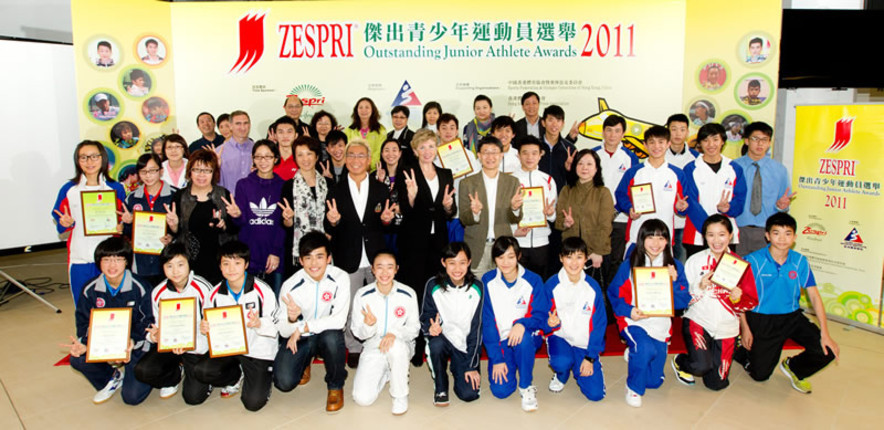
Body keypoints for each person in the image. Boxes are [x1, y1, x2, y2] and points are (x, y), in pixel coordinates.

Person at [734, 213, 839, 393]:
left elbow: (814, 296)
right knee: (760, 375)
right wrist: (745, 328)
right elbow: (740, 298)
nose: (782, 238)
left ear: (795, 237)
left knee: (827, 350)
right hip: (761, 318)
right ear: (767, 235)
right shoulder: (753, 261)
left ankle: (794, 367)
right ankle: (740, 350)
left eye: (787, 233)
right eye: (776, 233)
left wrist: (825, 333)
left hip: (791, 317)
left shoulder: (800, 261)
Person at [325, 139, 395, 366]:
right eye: (351, 156)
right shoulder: (334, 189)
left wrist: (386, 221)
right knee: (351, 304)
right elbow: (329, 226)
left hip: (376, 256)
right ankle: (353, 346)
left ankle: (379, 341)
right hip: (347, 255)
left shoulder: (380, 188)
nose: (356, 160)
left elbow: (387, 221)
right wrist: (332, 222)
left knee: (380, 300)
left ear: (369, 161)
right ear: (345, 160)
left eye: (360, 156)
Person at [608, 219, 691, 407]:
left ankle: (635, 351)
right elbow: (613, 294)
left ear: (668, 241)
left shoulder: (674, 266)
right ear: (641, 239)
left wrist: (675, 281)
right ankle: (633, 388)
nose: (655, 243)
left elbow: (683, 302)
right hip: (633, 321)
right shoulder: (630, 264)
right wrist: (629, 311)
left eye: (661, 238)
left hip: (660, 324)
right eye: (650, 237)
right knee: (645, 349)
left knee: (654, 382)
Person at [671, 214, 758, 391]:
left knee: (716, 383)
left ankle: (709, 355)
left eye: (722, 234)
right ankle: (682, 361)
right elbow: (682, 298)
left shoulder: (740, 265)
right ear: (704, 237)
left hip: (727, 327)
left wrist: (737, 296)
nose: (716, 240)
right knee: (700, 366)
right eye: (711, 235)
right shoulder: (695, 261)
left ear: (730, 235)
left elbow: (751, 301)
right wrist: (699, 285)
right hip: (699, 320)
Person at [64, 237, 152, 405]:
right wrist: (84, 343)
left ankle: (132, 372)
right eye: (106, 260)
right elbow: (83, 322)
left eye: (118, 259)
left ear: (126, 262)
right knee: (77, 358)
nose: (112, 266)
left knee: (132, 397)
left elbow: (148, 323)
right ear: (99, 262)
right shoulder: (89, 290)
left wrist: (132, 343)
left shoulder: (140, 287)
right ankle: (111, 378)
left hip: (134, 347)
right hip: (104, 345)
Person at [395, 129, 457, 365]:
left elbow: (450, 211)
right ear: (414, 150)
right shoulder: (406, 173)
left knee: (437, 292)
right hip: (413, 240)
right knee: (415, 291)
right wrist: (410, 196)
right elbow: (405, 209)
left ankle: (437, 339)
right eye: (422, 147)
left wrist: (448, 206)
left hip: (439, 241)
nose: (427, 151)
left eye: (431, 146)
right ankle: (416, 342)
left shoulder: (445, 173)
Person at [194, 240, 278, 411]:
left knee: (253, 403)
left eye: (237, 263)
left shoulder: (262, 290)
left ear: (246, 264)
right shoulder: (214, 294)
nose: (231, 269)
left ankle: (262, 377)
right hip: (228, 349)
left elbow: (277, 325)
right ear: (220, 267)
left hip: (257, 350)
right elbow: (207, 322)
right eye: (226, 264)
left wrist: (259, 323)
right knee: (202, 370)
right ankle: (234, 377)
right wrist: (204, 329)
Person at [274, 232, 350, 412]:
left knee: (332, 338)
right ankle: (305, 362)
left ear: (329, 258)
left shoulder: (340, 278)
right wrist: (292, 319)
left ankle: (335, 386)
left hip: (326, 334)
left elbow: (339, 320)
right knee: (283, 382)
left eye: (319, 257)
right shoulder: (290, 285)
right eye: (308, 258)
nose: (314, 263)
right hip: (301, 338)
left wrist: (303, 326)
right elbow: (283, 331)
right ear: (300, 260)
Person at [134, 242, 213, 402]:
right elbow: (156, 325)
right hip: (170, 345)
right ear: (162, 267)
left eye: (180, 264)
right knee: (143, 370)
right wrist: (154, 336)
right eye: (169, 266)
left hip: (197, 346)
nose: (175, 271)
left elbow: (211, 326)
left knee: (193, 398)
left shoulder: (204, 288)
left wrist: (194, 340)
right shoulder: (158, 292)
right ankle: (173, 376)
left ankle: (200, 377)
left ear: (189, 264)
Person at [52, 141, 126, 305]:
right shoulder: (69, 189)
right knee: (83, 308)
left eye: (94, 157)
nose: (89, 162)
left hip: (110, 259)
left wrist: (123, 226)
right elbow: (60, 225)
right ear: (78, 161)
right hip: (81, 259)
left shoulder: (116, 188)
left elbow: (123, 219)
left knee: (113, 306)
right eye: (84, 158)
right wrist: (65, 222)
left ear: (103, 158)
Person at [480, 237, 548, 411]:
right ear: (494, 259)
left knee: (523, 338)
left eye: (510, 257)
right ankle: (511, 362)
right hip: (503, 340)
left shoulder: (533, 280)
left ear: (518, 256)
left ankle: (526, 385)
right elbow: (487, 323)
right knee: (501, 391)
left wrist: (522, 323)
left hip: (527, 336)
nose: (505, 262)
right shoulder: (487, 282)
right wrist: (497, 359)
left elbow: (540, 314)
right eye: (500, 257)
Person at [350, 251, 420, 415]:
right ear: (373, 270)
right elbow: (357, 332)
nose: (384, 273)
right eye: (379, 267)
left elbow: (414, 328)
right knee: (362, 399)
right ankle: (388, 372)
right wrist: (369, 326)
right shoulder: (362, 295)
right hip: (373, 345)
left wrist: (395, 333)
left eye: (390, 267)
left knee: (396, 348)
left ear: (396, 269)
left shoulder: (408, 293)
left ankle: (400, 395)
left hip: (400, 344)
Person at [616, 126, 704, 249]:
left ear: (668, 144)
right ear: (644, 145)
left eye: (661, 142)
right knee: (634, 268)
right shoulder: (634, 172)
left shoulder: (677, 174)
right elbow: (620, 195)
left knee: (664, 269)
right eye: (652, 142)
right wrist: (629, 208)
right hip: (636, 236)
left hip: (665, 238)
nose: (656, 146)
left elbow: (683, 202)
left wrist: (681, 207)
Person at [420, 242, 483, 406]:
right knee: (436, 344)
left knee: (469, 394)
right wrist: (430, 327)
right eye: (452, 263)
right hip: (443, 339)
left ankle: (460, 367)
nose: (457, 269)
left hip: (464, 345)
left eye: (462, 263)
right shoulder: (433, 285)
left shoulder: (478, 288)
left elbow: (477, 329)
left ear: (469, 262)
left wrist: (471, 365)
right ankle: (440, 386)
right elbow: (426, 316)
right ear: (443, 263)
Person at [545, 236, 607, 402]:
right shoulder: (552, 285)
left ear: (586, 259)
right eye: (569, 257)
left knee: (596, 394)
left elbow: (600, 324)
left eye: (579, 257)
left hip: (584, 345)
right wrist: (549, 323)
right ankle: (561, 374)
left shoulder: (592, 288)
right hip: (560, 338)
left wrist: (590, 357)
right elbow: (542, 316)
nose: (574, 263)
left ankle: (579, 361)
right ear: (561, 258)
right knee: (561, 362)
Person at [167, 150, 236, 285]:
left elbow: (234, 230)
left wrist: (226, 224)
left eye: (207, 170)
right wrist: (173, 226)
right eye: (197, 170)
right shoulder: (180, 197)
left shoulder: (223, 195)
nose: (201, 175)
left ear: (214, 173)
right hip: (189, 262)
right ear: (190, 171)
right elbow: (173, 234)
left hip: (219, 262)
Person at [458, 136, 523, 274]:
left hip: (503, 247)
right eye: (486, 152)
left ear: (501, 155)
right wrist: (475, 213)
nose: (490, 156)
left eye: (494, 152)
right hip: (476, 246)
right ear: (479, 156)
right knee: (478, 291)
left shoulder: (512, 182)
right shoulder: (467, 183)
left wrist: (515, 209)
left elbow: (515, 219)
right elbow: (464, 219)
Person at [228, 140, 286, 294]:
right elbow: (240, 222)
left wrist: (275, 252)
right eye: (258, 157)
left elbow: (283, 224)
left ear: (275, 159)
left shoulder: (283, 185)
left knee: (274, 303)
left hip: (274, 255)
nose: (263, 161)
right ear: (253, 159)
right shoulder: (244, 184)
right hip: (248, 253)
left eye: (268, 157)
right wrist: (237, 215)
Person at [682, 123, 747, 258]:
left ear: (723, 141)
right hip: (697, 235)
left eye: (715, 139)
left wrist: (728, 207)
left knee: (725, 277)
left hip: (726, 236)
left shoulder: (734, 168)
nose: (711, 144)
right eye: (706, 140)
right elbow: (691, 202)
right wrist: (709, 230)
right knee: (697, 277)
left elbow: (740, 200)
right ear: (700, 143)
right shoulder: (690, 169)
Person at [732, 122, 794, 256]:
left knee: (764, 272)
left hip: (766, 232)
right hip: (738, 229)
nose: (760, 144)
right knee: (737, 272)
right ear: (747, 141)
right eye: (755, 139)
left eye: (764, 140)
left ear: (769, 143)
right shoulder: (733, 167)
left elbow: (783, 204)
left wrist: (782, 206)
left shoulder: (779, 170)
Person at [555, 149, 614, 288]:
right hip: (571, 254)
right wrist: (565, 223)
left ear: (596, 168)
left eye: (589, 164)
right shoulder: (566, 190)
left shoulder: (603, 192)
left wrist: (597, 252)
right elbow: (558, 222)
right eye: (580, 163)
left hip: (596, 254)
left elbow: (605, 225)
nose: (584, 168)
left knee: (593, 294)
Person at [592, 114, 640, 268]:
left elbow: (633, 187)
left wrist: (618, 209)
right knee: (596, 259)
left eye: (617, 131)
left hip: (621, 218)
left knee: (616, 260)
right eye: (609, 130)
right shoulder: (593, 154)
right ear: (603, 132)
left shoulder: (631, 157)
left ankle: (613, 292)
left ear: (623, 134)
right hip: (596, 217)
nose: (612, 135)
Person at [120, 153, 174, 286]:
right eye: (143, 172)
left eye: (152, 171)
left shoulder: (174, 195)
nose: (148, 176)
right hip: (141, 262)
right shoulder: (132, 198)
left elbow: (183, 227)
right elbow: (128, 233)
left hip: (168, 260)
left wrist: (172, 236)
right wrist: (126, 224)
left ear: (161, 171)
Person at [281, 136, 333, 275]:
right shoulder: (289, 186)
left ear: (316, 156)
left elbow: (335, 219)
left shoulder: (329, 184)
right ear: (295, 158)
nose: (305, 159)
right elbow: (286, 224)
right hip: (299, 251)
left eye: (309, 153)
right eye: (300, 155)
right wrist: (288, 218)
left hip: (325, 249)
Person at [511, 136, 558, 278]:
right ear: (518, 155)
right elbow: (504, 212)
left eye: (534, 153)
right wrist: (514, 230)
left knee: (539, 282)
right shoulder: (510, 180)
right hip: (518, 241)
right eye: (525, 153)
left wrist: (550, 213)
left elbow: (553, 214)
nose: (529, 157)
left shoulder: (548, 180)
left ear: (540, 155)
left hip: (541, 241)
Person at [664, 114, 699, 262]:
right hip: (662, 218)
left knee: (681, 263)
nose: (678, 133)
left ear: (687, 132)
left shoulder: (697, 159)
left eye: (682, 129)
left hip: (685, 221)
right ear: (667, 131)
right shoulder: (658, 156)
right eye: (674, 129)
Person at [538, 105, 576, 194]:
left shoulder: (569, 149)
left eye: (558, 120)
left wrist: (568, 170)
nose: (554, 124)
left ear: (562, 124)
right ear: (543, 122)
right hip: (538, 196)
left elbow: (575, 180)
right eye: (550, 120)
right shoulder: (535, 147)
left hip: (561, 198)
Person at [345, 97, 387, 170]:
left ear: (372, 110)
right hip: (353, 168)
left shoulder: (380, 130)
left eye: (367, 107)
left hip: (373, 170)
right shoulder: (349, 130)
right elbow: (346, 151)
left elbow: (379, 151)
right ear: (356, 110)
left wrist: (368, 165)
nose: (363, 110)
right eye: (360, 107)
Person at [218, 110, 254, 191]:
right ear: (230, 126)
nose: (243, 127)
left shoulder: (257, 149)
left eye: (246, 123)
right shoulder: (219, 152)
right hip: (228, 200)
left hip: (253, 200)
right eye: (238, 123)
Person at [272, 116, 299, 181]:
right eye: (281, 132)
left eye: (289, 132)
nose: (285, 135)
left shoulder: (301, 158)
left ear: (296, 135)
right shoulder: (269, 158)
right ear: (275, 136)